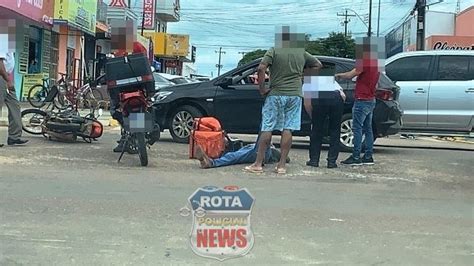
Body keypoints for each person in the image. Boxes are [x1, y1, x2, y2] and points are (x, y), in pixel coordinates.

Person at [244, 27, 322, 174]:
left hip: (275, 93)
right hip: (295, 94)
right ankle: (281, 166)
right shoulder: (301, 53)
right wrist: (303, 76)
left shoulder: (274, 50)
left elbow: (261, 68)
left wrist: (262, 89)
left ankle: (258, 164)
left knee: (267, 127)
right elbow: (318, 64)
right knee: (288, 129)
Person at [335, 37, 381, 166]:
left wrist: (338, 75)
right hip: (371, 99)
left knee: (357, 128)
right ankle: (368, 156)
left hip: (362, 99)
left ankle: (356, 156)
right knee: (368, 129)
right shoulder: (375, 63)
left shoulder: (364, 61)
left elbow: (351, 75)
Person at [304, 71, 346, 168]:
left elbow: (307, 104)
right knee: (335, 130)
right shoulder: (328, 79)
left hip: (320, 97)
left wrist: (313, 117)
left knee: (316, 130)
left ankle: (314, 160)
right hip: (336, 97)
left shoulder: (308, 81)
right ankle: (332, 161)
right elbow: (343, 95)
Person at [0, 33, 28, 147]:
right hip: (2, 77)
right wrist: (8, 80)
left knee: (15, 105)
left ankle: (14, 136)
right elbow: (0, 63)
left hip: (6, 77)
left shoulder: (9, 46)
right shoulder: (3, 41)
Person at [195, 141, 288, 169]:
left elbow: (286, 158)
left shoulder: (272, 151)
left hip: (262, 151)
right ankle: (210, 161)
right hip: (251, 148)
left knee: (234, 156)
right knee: (234, 155)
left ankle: (211, 162)